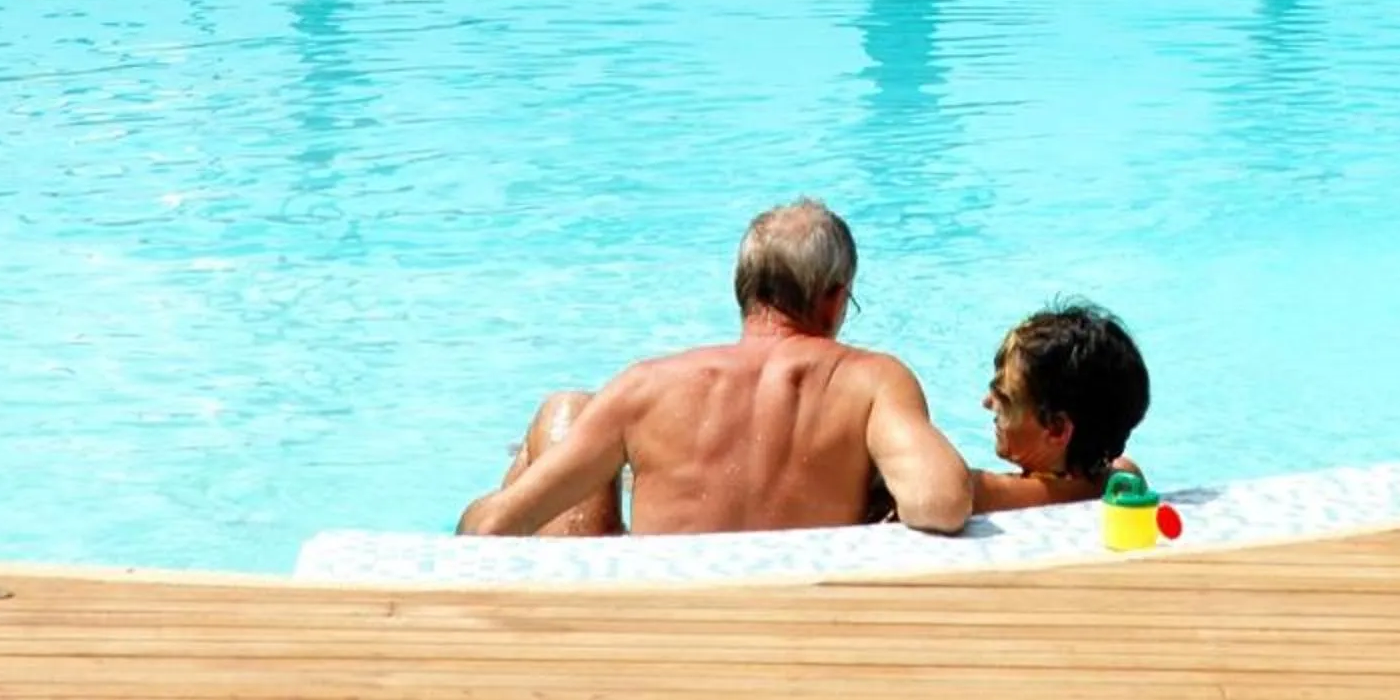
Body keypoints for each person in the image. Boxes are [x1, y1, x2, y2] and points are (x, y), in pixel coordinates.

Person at [456, 199, 972, 539]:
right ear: (834, 300)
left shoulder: (646, 387)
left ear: (742, 291)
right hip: (792, 641)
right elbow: (940, 501)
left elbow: (491, 531)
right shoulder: (870, 382)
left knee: (562, 416)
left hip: (655, 642)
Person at [967, 301, 1151, 514]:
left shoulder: (995, 494)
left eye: (1004, 398)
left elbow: (950, 491)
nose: (987, 402)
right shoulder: (1124, 480)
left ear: (1056, 429)